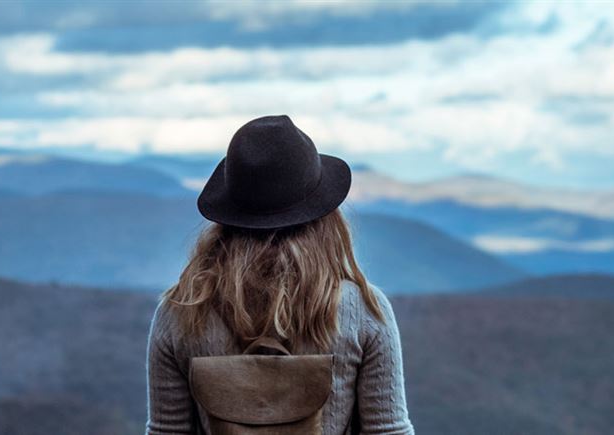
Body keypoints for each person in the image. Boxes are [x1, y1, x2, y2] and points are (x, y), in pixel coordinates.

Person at [146, 115, 414, 434]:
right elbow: (388, 431)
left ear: (228, 215)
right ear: (325, 217)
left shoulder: (181, 313)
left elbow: (166, 432)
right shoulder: (364, 311)